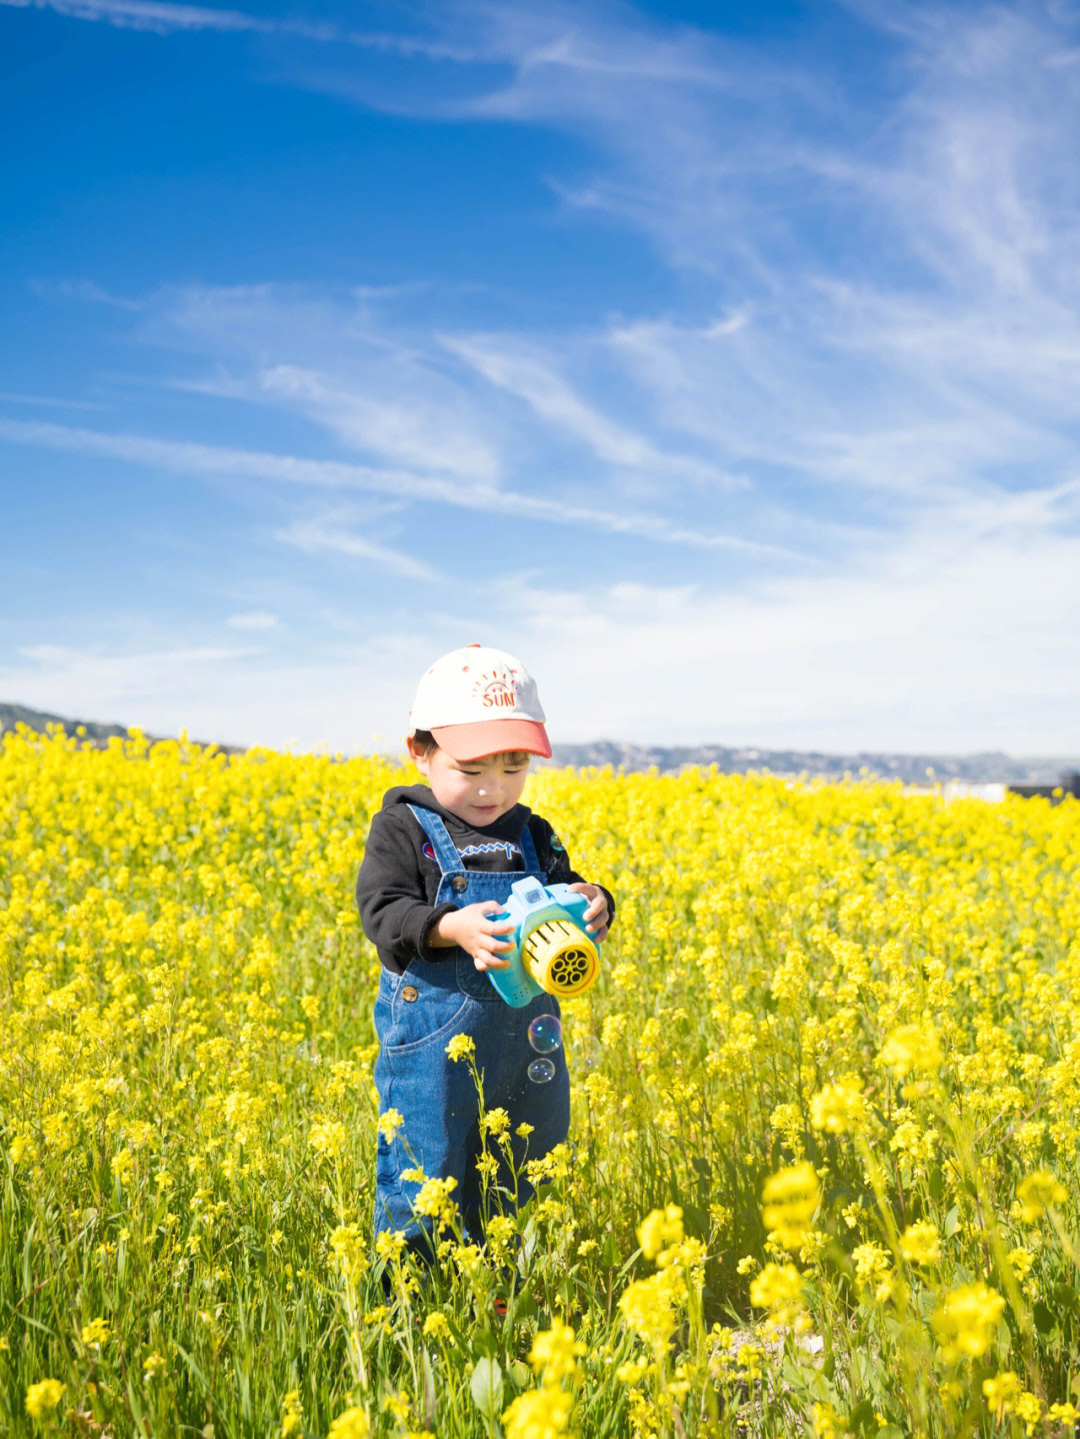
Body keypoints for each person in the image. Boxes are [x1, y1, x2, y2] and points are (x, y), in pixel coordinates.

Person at [356, 643, 613, 1257]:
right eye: (471, 771)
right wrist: (451, 928)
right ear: (420, 752)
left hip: (527, 1037)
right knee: (426, 1168)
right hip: (433, 1044)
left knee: (523, 1165)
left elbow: (563, 897)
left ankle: (505, 1286)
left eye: (514, 766)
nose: (492, 789)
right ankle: (409, 1307)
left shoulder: (532, 833)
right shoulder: (406, 829)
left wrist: (594, 898)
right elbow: (383, 911)